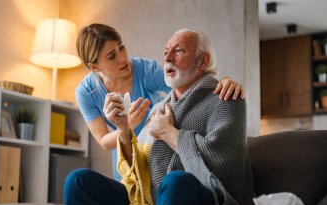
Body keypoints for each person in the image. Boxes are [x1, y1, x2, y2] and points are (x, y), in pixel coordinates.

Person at [64, 28, 255, 205]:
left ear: (203, 60)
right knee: (78, 182)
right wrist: (124, 129)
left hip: (203, 204)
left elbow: (221, 165)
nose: (166, 58)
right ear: (94, 66)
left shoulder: (226, 98)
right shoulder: (160, 108)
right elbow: (137, 169)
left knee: (176, 182)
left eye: (178, 50)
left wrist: (170, 134)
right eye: (166, 51)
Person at [75, 23, 246, 181]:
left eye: (121, 47)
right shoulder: (86, 92)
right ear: (94, 67)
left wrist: (222, 80)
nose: (122, 58)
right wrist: (126, 127)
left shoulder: (144, 71)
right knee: (83, 180)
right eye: (112, 56)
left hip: (162, 150)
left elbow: (189, 80)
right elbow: (104, 140)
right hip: (128, 152)